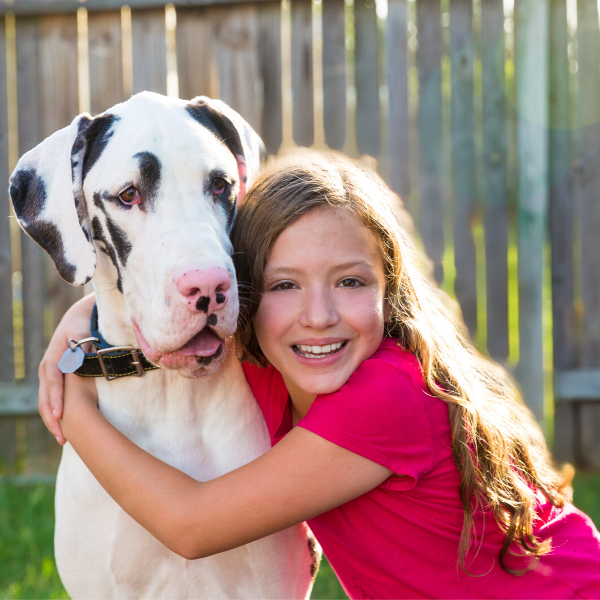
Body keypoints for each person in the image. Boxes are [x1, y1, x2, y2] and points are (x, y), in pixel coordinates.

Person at [39, 154, 600, 599]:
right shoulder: (283, 369)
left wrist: (76, 412)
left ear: (390, 287)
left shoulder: (387, 394)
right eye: (285, 286)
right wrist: (76, 324)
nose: (318, 315)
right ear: (248, 294)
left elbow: (190, 527)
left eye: (350, 282)